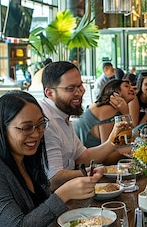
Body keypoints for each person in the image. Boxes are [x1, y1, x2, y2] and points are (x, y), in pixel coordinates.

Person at [0, 91, 101, 227]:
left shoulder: (27, 159)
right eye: (26, 127)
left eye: (40, 125)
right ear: (3, 128)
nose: (37, 134)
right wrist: (63, 194)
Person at [38, 61, 122, 190]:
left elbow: (82, 157)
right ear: (49, 93)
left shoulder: (62, 113)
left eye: (80, 86)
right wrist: (90, 172)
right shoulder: (46, 122)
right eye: (71, 89)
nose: (80, 92)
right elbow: (54, 179)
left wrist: (114, 140)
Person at [74, 79, 136, 149]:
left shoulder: (109, 107)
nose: (132, 88)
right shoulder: (107, 109)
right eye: (127, 86)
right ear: (115, 91)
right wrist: (126, 113)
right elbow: (108, 154)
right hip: (87, 156)